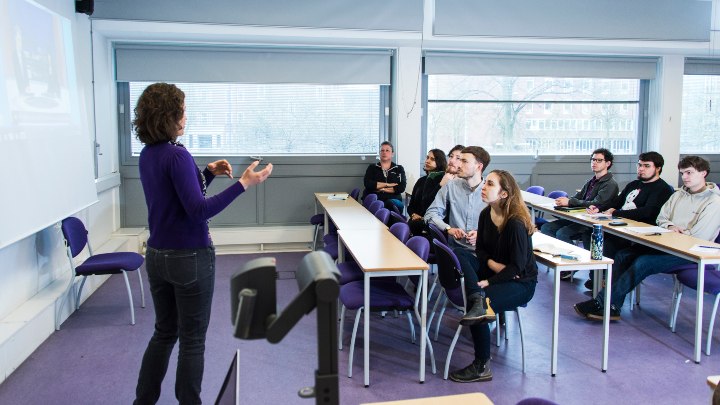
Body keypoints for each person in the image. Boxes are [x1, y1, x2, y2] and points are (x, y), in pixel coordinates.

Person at [132, 83, 273, 404]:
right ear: (169, 116)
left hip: (157, 256)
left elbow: (176, 199)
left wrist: (206, 174)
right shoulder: (178, 155)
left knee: (164, 333)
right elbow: (197, 211)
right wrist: (243, 184)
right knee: (192, 341)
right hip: (189, 258)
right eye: (181, 111)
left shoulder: (149, 154)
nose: (185, 117)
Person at [574, 155, 720, 321]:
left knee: (643, 262)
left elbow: (699, 236)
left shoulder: (714, 202)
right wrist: (671, 227)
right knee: (623, 255)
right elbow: (661, 218)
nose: (684, 177)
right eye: (682, 173)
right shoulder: (678, 195)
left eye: (689, 173)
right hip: (667, 244)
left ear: (703, 173)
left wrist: (674, 231)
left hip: (691, 254)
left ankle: (602, 303)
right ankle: (613, 306)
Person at [449, 170, 538, 383]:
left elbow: (517, 268)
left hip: (521, 284)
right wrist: (492, 265)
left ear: (504, 194)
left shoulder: (515, 223)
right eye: (485, 183)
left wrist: (489, 280)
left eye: (490, 184)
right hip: (499, 271)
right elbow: (480, 251)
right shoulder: (486, 214)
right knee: (460, 252)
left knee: (481, 306)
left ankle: (481, 366)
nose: (484, 187)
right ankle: (476, 295)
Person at [581, 151, 674, 289]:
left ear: (658, 168)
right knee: (589, 233)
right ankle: (597, 277)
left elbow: (648, 212)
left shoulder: (663, 189)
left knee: (609, 245)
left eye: (646, 166)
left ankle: (605, 281)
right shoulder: (634, 184)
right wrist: (598, 208)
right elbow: (616, 202)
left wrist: (616, 212)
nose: (641, 169)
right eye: (639, 165)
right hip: (620, 226)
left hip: (640, 233)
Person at [540, 148, 619, 280]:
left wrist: (570, 202)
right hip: (579, 217)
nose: (594, 163)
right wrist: (565, 202)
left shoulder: (610, 184)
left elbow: (596, 203)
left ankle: (572, 265)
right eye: (593, 160)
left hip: (592, 222)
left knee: (562, 233)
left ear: (608, 164)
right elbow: (579, 196)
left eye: (599, 160)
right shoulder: (591, 181)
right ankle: (563, 260)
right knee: (547, 227)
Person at [425, 146, 490, 251]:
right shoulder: (451, 186)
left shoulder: (491, 191)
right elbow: (431, 213)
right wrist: (448, 229)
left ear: (479, 167)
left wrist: (481, 235)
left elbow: (502, 227)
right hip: (456, 250)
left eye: (464, 161)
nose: (459, 165)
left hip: (483, 253)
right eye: (460, 160)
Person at [407, 149, 447, 235]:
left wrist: (422, 218)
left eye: (432, 159)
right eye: (427, 158)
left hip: (430, 221)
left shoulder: (443, 182)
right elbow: (410, 206)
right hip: (416, 221)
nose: (427, 161)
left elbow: (431, 203)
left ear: (440, 162)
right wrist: (413, 214)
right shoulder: (421, 181)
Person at [363, 141, 407, 211]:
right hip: (376, 198)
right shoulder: (372, 167)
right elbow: (368, 184)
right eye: (382, 150)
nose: (384, 152)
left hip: (393, 200)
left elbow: (401, 187)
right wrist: (388, 184)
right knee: (378, 204)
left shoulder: (398, 168)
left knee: (390, 204)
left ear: (392, 154)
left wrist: (382, 189)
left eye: (387, 150)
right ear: (379, 153)